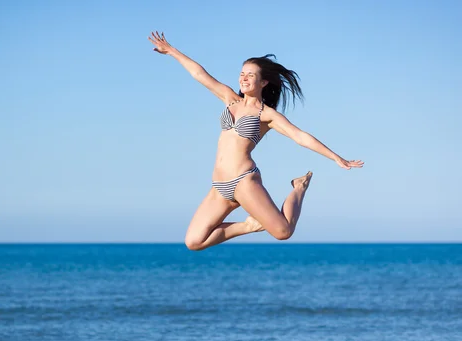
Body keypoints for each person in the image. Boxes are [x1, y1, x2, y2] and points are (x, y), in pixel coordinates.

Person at [148, 32, 364, 251]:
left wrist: (337, 158)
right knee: (194, 242)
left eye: (250, 75)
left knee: (283, 231)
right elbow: (199, 74)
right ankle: (249, 226)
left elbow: (299, 136)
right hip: (220, 186)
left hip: (244, 181)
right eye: (242, 74)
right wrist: (172, 51)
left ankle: (299, 186)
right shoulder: (229, 98)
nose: (243, 78)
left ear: (263, 82)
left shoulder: (266, 114)